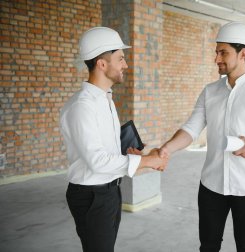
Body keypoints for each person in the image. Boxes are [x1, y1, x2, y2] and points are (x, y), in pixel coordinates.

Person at [159, 22, 245, 252]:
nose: (216, 59)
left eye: (223, 52)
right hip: (211, 186)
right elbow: (191, 129)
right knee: (208, 246)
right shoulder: (210, 91)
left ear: (243, 53)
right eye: (216, 52)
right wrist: (167, 148)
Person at [60, 27, 167, 252]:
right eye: (120, 59)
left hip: (109, 190)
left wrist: (128, 153)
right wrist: (148, 161)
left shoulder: (106, 98)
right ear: (102, 63)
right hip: (92, 196)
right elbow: (97, 161)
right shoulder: (83, 107)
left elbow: (103, 148)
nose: (125, 65)